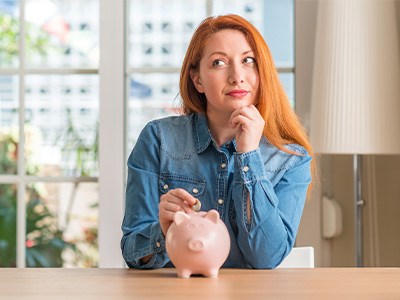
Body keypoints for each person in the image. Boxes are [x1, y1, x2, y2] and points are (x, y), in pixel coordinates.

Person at [121, 14, 315, 269]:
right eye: (219, 63)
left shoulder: (290, 158)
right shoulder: (158, 139)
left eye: (248, 61)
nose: (237, 76)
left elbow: (266, 258)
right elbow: (133, 251)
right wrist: (164, 232)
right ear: (197, 79)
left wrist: (249, 157)